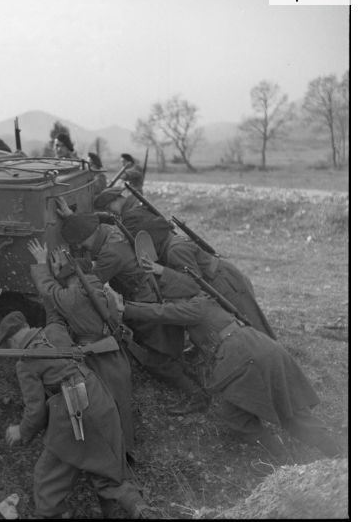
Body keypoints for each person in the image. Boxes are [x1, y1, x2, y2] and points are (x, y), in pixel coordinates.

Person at [119, 257, 342, 460]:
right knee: (293, 413)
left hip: (241, 355)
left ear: (178, 297)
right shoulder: (207, 301)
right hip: (262, 345)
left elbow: (159, 313)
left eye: (170, 299)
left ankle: (284, 465)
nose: (169, 303)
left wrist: (124, 309)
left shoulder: (193, 308)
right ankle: (338, 455)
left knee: (235, 417)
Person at [0, 311, 155, 519]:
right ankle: (140, 510)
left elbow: (35, 411)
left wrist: (21, 430)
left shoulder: (25, 364)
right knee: (106, 471)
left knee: (47, 477)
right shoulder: (54, 331)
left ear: (12, 340)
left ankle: (53, 514)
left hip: (72, 416)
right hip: (99, 398)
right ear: (27, 325)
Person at [59, 211, 208, 412]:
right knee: (161, 345)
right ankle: (181, 367)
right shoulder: (111, 232)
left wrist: (63, 271)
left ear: (90, 234)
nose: (78, 247)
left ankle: (196, 395)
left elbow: (91, 282)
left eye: (79, 242)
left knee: (158, 358)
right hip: (150, 291)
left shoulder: (111, 252)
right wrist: (74, 219)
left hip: (143, 299)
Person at [93, 188, 276, 339]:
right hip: (217, 278)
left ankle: (272, 353)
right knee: (243, 322)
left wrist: (161, 270)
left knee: (251, 322)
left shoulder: (175, 250)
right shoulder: (170, 243)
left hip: (223, 281)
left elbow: (192, 284)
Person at [26, 238, 135, 453]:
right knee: (121, 406)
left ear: (70, 277)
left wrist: (41, 263)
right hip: (116, 356)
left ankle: (112, 458)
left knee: (103, 408)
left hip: (98, 360)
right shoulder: (104, 290)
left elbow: (49, 291)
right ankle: (127, 451)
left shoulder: (75, 297)